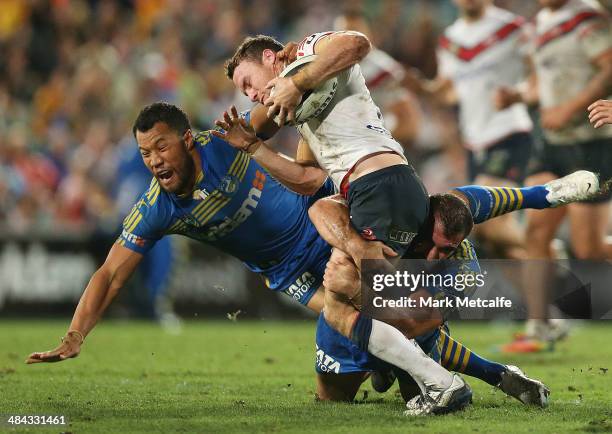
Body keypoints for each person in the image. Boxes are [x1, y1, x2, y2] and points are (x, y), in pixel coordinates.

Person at [26, 102, 579, 412]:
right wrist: (75, 336)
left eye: (162, 148)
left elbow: (285, 108)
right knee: (332, 394)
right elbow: (110, 272)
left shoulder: (226, 141)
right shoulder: (157, 208)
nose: (154, 161)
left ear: (187, 140)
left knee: (386, 309)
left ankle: (443, 380)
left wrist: (296, 70)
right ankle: (461, 372)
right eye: (145, 153)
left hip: (324, 230)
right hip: (285, 272)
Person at [215, 106, 597, 412]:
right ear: (423, 217)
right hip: (375, 305)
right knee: (331, 400)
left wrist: (365, 290)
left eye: (446, 250)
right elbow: (319, 208)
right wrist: (357, 246)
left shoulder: (461, 268)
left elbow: (418, 324)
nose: (434, 255)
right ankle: (488, 373)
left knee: (381, 324)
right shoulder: (405, 212)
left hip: (405, 318)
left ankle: (420, 375)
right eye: (431, 244)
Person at [223, 32, 472, 414]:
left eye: (248, 83)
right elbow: (307, 178)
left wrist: (292, 81)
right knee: (356, 296)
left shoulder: (308, 51)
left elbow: (357, 44)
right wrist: (255, 149)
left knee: (344, 301)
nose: (251, 96)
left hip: (377, 183)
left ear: (271, 58)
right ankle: (419, 373)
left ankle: (440, 380)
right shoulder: (305, 112)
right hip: (380, 186)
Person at [496, 0, 612, 349]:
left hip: (590, 143)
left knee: (588, 248)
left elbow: (608, 68)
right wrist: (517, 95)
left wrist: (568, 109)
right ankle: (540, 324)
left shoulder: (587, 17)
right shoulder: (542, 24)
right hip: (549, 145)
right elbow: (541, 82)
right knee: (535, 230)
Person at [406, 0, 534, 259]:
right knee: (496, 246)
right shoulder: (450, 39)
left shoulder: (512, 27)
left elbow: (537, 75)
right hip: (475, 143)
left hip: (509, 133)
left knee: (486, 222)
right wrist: (422, 89)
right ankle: (544, 292)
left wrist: (519, 93)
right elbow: (450, 92)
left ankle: (545, 246)